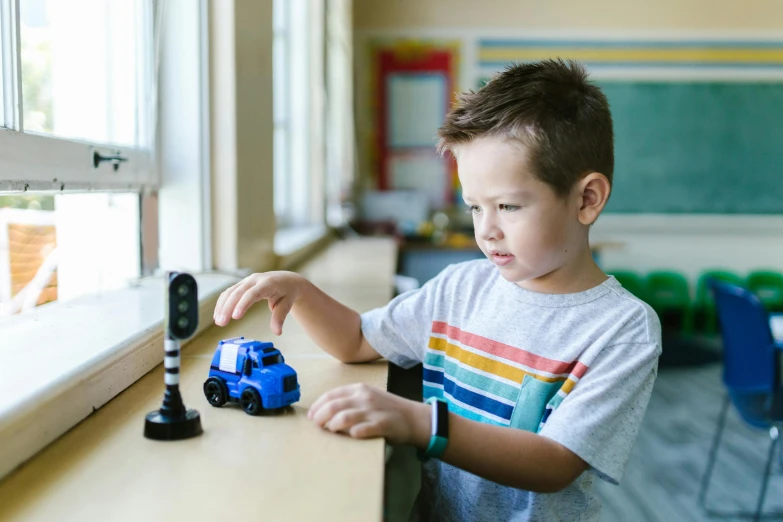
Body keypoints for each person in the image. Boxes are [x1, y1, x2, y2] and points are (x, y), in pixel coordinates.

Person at [213, 59, 662, 522]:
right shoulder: (459, 289)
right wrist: (301, 291)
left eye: (508, 205)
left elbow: (554, 463)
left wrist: (419, 422)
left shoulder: (622, 328)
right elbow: (357, 340)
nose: (486, 231)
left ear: (587, 198)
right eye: (474, 207)